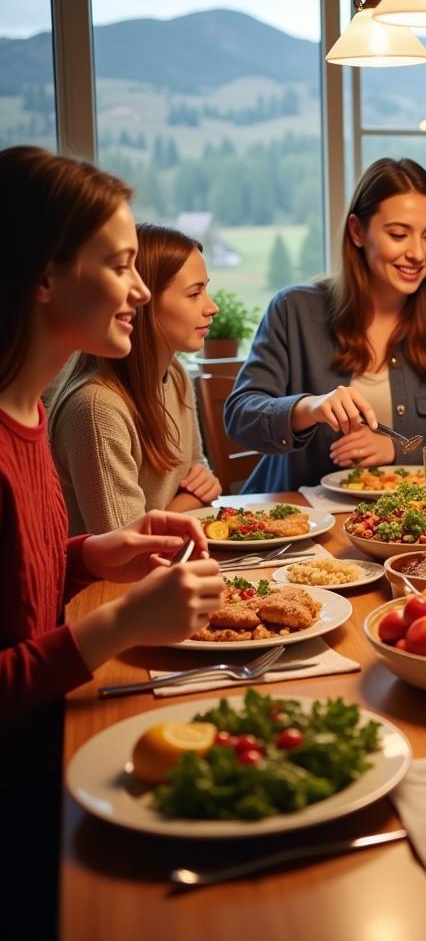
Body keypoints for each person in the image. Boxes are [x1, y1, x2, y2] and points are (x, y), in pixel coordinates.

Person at [0, 146, 223, 938]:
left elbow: (15, 592)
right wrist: (118, 623)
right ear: (44, 276)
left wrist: (89, 555)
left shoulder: (25, 416)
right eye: (120, 264)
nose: (138, 288)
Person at [225, 158, 426, 491]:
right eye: (399, 235)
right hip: (298, 524)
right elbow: (240, 416)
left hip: (410, 528)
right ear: (357, 232)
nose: (418, 254)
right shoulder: (294, 310)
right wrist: (310, 407)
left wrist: (397, 451)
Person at [48, 224, 222, 533]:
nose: (212, 307)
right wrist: (188, 501)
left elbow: (200, 477)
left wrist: (192, 495)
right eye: (195, 293)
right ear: (143, 301)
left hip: (167, 562)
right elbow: (127, 549)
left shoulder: (176, 374)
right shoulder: (96, 408)